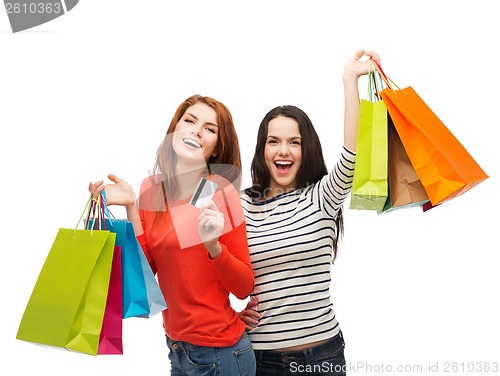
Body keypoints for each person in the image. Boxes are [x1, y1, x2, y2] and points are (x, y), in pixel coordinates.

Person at [89, 94, 256, 376]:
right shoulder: (152, 189)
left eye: (210, 128)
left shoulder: (218, 192)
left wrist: (213, 246)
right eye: (189, 121)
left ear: (216, 148)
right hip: (177, 349)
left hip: (221, 354)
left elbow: (244, 287)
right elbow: (146, 272)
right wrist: (131, 206)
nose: (196, 130)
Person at [239, 50, 381, 376]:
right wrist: (227, 316)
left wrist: (349, 79)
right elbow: (203, 262)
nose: (283, 151)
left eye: (294, 142)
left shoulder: (322, 196)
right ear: (262, 149)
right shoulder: (241, 203)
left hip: (322, 357)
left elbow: (353, 152)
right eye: (273, 141)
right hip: (258, 360)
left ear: (307, 149)